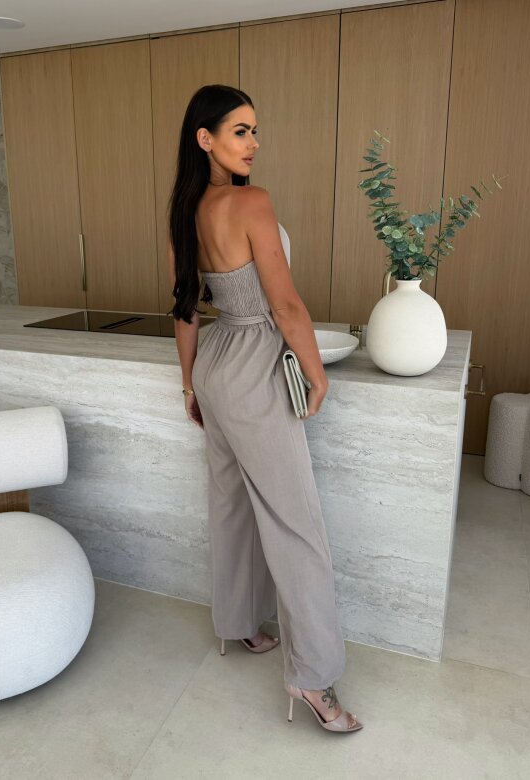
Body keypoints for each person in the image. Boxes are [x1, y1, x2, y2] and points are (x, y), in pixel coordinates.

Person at [166, 84, 363, 734]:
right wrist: (315, 372)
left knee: (230, 501)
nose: (253, 142)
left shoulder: (184, 211)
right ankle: (313, 678)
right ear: (205, 139)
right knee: (295, 523)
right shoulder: (250, 202)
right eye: (240, 131)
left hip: (216, 363)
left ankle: (238, 624)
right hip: (254, 364)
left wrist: (191, 386)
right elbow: (284, 304)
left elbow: (185, 309)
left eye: (254, 130)